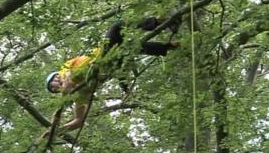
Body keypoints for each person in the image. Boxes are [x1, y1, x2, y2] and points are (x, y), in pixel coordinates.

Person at [45, 17, 179, 130]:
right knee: (130, 46)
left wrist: (58, 113)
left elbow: (68, 82)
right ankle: (172, 43)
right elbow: (78, 121)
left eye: (54, 82)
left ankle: (161, 24)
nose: (57, 85)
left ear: (57, 75)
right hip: (112, 67)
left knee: (120, 30)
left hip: (104, 54)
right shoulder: (79, 95)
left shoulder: (66, 69)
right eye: (54, 89)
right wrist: (57, 131)